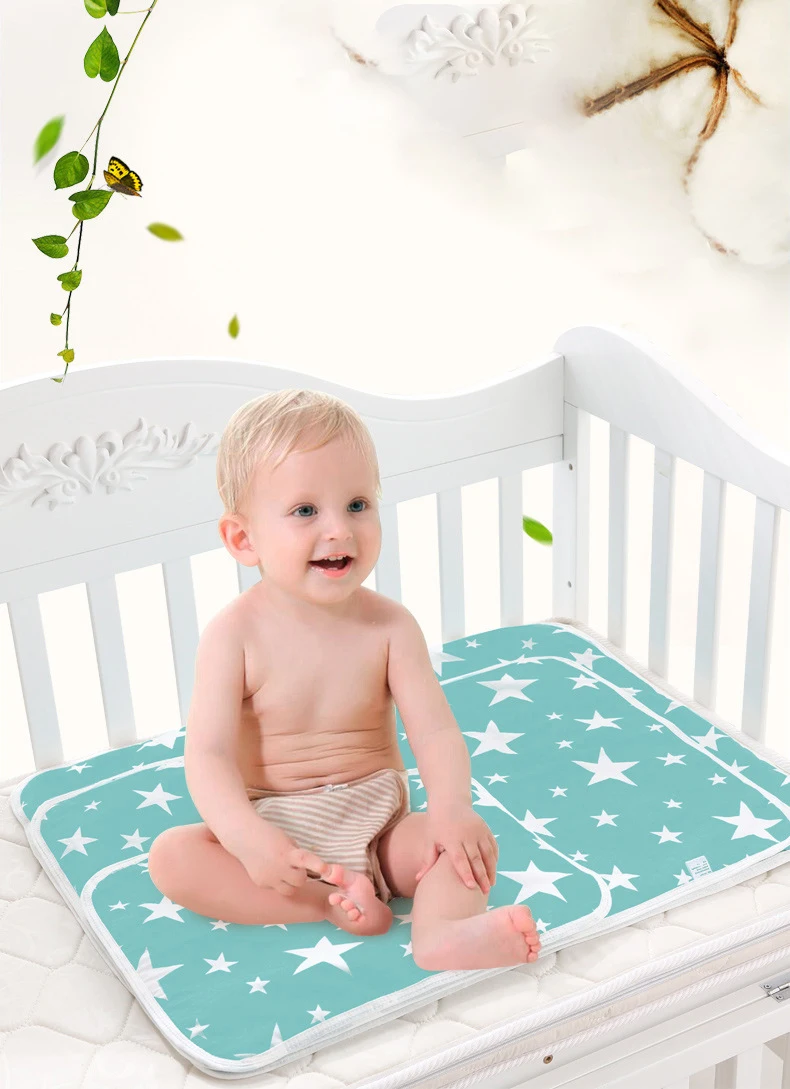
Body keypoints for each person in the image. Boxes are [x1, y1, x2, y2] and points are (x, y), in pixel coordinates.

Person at [148, 389, 541, 970]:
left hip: (381, 832)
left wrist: (452, 807)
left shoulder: (390, 627)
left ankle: (441, 934)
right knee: (173, 857)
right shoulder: (233, 636)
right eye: (306, 511)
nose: (339, 529)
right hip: (278, 831)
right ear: (244, 539)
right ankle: (327, 905)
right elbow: (208, 754)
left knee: (466, 845)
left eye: (357, 504)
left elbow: (434, 732)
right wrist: (248, 840)